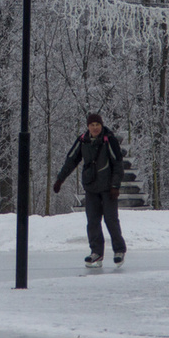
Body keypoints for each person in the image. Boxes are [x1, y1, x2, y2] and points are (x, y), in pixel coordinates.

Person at [53, 113, 127, 268]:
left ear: (101, 125)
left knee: (111, 220)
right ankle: (96, 253)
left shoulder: (109, 140)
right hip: (91, 187)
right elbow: (71, 160)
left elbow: (118, 164)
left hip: (108, 189)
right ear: (88, 127)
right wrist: (60, 179)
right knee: (92, 222)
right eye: (92, 125)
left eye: (97, 125)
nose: (95, 128)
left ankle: (119, 250)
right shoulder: (82, 140)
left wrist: (115, 186)